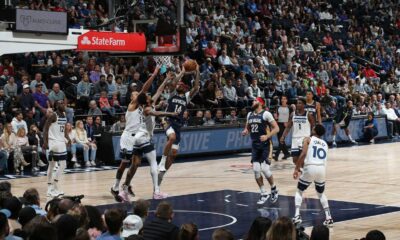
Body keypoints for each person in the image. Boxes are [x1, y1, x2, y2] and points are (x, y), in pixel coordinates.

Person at [118, 72, 177, 201]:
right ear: (146, 101)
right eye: (149, 96)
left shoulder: (150, 103)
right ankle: (156, 191)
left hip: (136, 139)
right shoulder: (146, 109)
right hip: (143, 137)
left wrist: (166, 79)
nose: (151, 96)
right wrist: (171, 113)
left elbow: (159, 90)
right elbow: (155, 113)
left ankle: (124, 190)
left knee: (135, 164)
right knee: (153, 163)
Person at [110, 66, 160, 202]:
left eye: (137, 94)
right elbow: (144, 88)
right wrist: (154, 74)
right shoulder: (132, 105)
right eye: (134, 94)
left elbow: (150, 95)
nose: (136, 94)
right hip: (127, 137)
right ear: (131, 97)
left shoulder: (142, 108)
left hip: (136, 138)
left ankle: (126, 186)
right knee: (124, 163)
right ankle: (115, 186)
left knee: (136, 163)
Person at [158, 65, 200, 190]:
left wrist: (197, 71)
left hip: (178, 124)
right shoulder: (172, 94)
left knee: (174, 153)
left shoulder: (186, 97)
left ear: (185, 88)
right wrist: (182, 72)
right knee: (172, 137)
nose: (179, 85)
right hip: (167, 120)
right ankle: (161, 162)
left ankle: (162, 172)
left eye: (181, 84)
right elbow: (173, 83)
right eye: (178, 84)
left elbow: (196, 87)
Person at [292, 124, 333, 227]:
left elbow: (303, 153)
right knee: (321, 193)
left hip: (310, 166)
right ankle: (329, 217)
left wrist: (297, 168)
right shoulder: (325, 143)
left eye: (313, 128)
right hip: (322, 169)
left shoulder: (308, 139)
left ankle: (297, 215)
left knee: (299, 190)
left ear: (314, 131)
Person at [242, 97, 280, 205]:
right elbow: (248, 128)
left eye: (255, 100)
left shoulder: (266, 114)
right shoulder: (249, 114)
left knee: (264, 168)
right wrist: (245, 131)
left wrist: (267, 136)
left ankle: (274, 189)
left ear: (261, 103)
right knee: (256, 169)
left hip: (266, 145)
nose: (253, 102)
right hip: (255, 145)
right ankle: (263, 193)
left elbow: (276, 128)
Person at [43, 100, 68, 197]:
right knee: (52, 165)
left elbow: (64, 128)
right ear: (57, 105)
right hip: (53, 142)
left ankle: (55, 185)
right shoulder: (53, 115)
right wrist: (45, 141)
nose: (63, 104)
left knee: (63, 165)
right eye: (61, 103)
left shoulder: (64, 114)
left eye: (63, 102)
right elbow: (45, 128)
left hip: (61, 142)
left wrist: (68, 138)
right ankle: (50, 187)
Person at [281, 98, 315, 164]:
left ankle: (304, 172)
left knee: (304, 158)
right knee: (295, 160)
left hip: (305, 139)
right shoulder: (292, 114)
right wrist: (283, 136)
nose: (298, 104)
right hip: (295, 139)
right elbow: (288, 127)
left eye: (300, 103)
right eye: (297, 103)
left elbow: (313, 127)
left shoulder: (308, 115)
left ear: (304, 105)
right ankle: (301, 171)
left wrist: (312, 137)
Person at [274, 95, 291, 161]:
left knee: (281, 140)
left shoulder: (289, 108)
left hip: (285, 125)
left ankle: (276, 154)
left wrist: (288, 123)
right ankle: (286, 153)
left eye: (284, 99)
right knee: (280, 140)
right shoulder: (278, 107)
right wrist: (276, 118)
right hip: (279, 124)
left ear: (286, 100)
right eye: (282, 99)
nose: (283, 100)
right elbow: (276, 115)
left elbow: (291, 116)